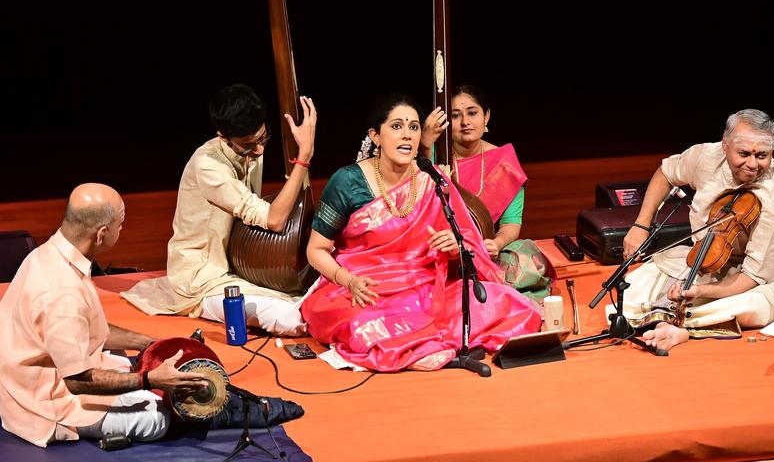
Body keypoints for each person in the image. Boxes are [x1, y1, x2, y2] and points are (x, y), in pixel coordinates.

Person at [301, 95, 543, 372]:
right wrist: (349, 280)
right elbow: (316, 249)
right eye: (396, 126)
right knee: (362, 328)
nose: (407, 135)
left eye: (414, 127)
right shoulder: (347, 181)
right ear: (375, 136)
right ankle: (427, 345)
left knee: (508, 305)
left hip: (424, 285)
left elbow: (467, 241)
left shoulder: (431, 178)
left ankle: (428, 345)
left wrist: (455, 245)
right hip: (366, 287)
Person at [0, 184, 209, 447]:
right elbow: (77, 382)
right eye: (120, 224)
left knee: (127, 365)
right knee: (158, 417)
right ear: (101, 233)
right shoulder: (62, 294)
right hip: (44, 402)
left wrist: (152, 344)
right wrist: (148, 380)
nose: (122, 229)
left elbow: (87, 329)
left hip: (28, 377)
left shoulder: (50, 253)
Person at [121, 85, 318, 335]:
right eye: (248, 145)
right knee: (289, 317)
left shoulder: (250, 148)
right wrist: (305, 156)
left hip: (242, 267)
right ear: (223, 137)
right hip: (202, 278)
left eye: (263, 138)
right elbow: (275, 220)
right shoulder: (208, 166)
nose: (259, 150)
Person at [621, 109, 774, 352]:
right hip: (711, 257)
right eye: (743, 153)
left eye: (762, 155)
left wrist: (701, 290)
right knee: (635, 282)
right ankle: (674, 314)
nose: (752, 164)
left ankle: (685, 327)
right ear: (725, 145)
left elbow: (752, 276)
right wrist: (641, 225)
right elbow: (666, 173)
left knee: (755, 306)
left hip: (767, 274)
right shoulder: (706, 157)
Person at [446, 85, 555, 301]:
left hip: (483, 252)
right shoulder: (433, 156)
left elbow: (511, 224)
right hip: (442, 249)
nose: (465, 122)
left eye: (472, 112)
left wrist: (496, 243)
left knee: (529, 259)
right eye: (456, 116)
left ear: (486, 116)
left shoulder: (504, 162)